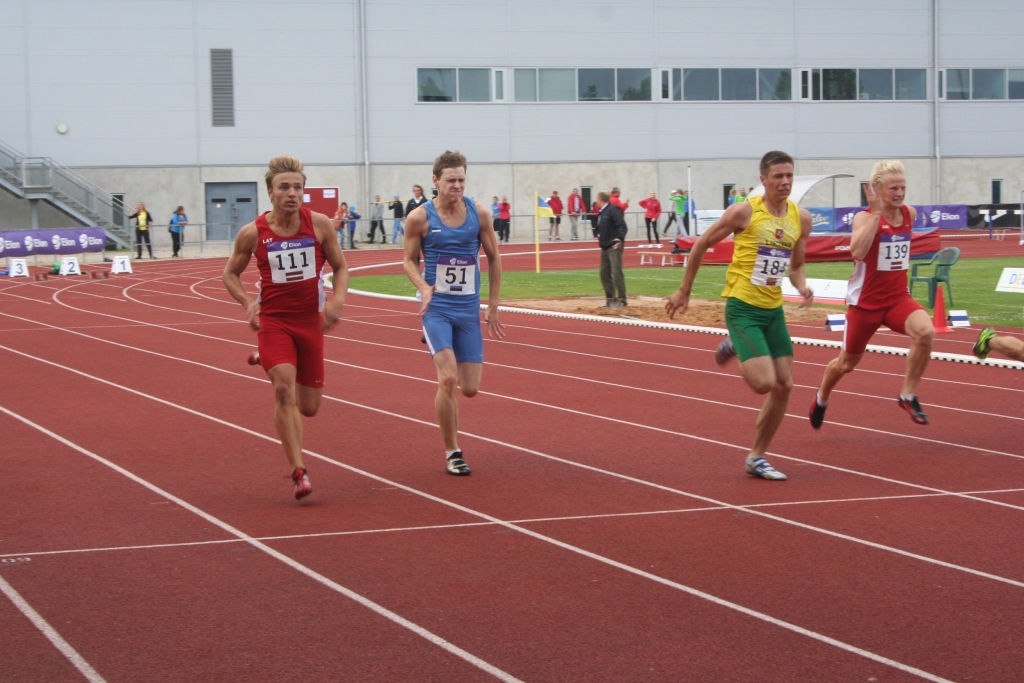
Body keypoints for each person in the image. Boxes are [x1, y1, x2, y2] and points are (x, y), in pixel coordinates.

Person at [666, 151, 813, 481]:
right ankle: (735, 341)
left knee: (785, 385)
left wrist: (802, 286)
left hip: (773, 310)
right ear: (763, 180)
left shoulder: (801, 218)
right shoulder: (744, 212)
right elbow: (701, 243)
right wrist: (684, 290)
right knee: (764, 383)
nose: (785, 182)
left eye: (789, 175)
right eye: (778, 176)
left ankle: (756, 457)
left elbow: (797, 265)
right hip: (743, 307)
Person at [222, 155, 349, 500]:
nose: (292, 193)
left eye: (297, 187)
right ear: (270, 192)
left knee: (309, 408)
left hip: (310, 322)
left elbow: (340, 267)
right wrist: (248, 302)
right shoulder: (253, 233)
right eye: (284, 187)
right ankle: (298, 471)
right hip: (275, 322)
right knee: (283, 391)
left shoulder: (319, 225)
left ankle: (265, 357)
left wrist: (337, 301)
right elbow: (229, 274)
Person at [809, 160, 934, 429]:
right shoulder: (864, 218)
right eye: (893, 188)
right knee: (846, 364)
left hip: (897, 299)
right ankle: (821, 397)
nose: (900, 193)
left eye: (903, 188)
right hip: (866, 304)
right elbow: (857, 252)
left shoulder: (909, 214)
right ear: (877, 189)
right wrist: (877, 215)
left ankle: (908, 395)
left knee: (925, 332)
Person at [403, 150, 504, 476]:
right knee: (447, 379)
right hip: (437, 307)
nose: (457, 185)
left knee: (470, 388)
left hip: (467, 308)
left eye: (461, 180)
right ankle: (453, 452)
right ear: (436, 181)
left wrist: (493, 304)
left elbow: (495, 258)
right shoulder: (420, 218)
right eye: (451, 180)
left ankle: (437, 341)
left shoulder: (480, 213)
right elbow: (408, 261)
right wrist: (423, 286)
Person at [594, 191, 628, 308]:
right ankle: (610, 299)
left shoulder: (613, 210)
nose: (596, 201)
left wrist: (619, 238)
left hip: (614, 246)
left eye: (597, 199)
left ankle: (622, 299)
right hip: (604, 246)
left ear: (601, 199)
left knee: (616, 272)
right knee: (604, 273)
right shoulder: (602, 212)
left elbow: (622, 226)